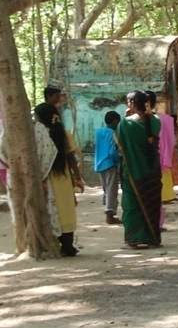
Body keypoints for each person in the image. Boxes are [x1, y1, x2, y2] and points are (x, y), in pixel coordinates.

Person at [34, 102, 86, 255]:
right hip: (63, 178)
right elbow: (71, 157)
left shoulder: (38, 135)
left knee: (50, 211)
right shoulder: (63, 133)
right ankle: (68, 246)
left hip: (46, 178)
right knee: (66, 211)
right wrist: (77, 178)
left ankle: (50, 243)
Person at [117, 90, 163, 248]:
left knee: (131, 206)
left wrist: (125, 116)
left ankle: (134, 238)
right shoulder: (156, 121)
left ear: (131, 104)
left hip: (133, 172)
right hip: (153, 171)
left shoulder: (126, 123)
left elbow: (120, 143)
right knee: (152, 204)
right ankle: (152, 238)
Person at [94, 111, 123, 224]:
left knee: (106, 189)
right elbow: (113, 150)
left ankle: (109, 211)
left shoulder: (98, 132)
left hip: (99, 164)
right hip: (110, 163)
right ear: (115, 121)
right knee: (112, 189)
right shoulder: (112, 133)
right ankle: (110, 214)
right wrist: (118, 159)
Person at [155, 95, 178, 205]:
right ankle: (165, 196)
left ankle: (168, 195)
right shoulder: (163, 120)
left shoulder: (165, 120)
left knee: (166, 174)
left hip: (163, 150)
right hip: (161, 151)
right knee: (164, 174)